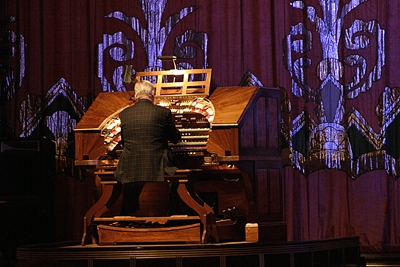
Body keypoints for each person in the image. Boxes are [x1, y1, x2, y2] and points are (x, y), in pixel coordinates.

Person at [114, 79, 181, 216]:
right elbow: (175, 139)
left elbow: (124, 142)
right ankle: (175, 214)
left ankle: (127, 216)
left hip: (131, 163)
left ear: (136, 95)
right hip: (158, 163)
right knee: (179, 176)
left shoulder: (124, 114)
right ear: (152, 94)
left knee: (131, 185)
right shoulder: (163, 112)